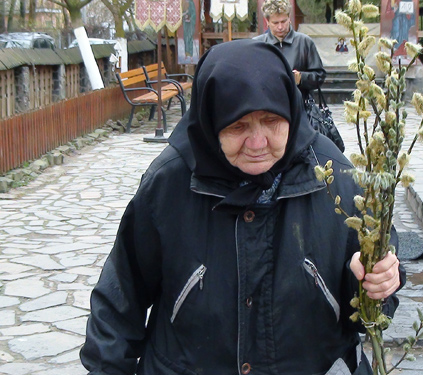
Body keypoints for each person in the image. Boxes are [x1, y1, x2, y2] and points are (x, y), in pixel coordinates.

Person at [80, 39, 405, 375]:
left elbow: (372, 309)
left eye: (271, 121)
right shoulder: (169, 183)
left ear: (291, 113)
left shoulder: (333, 176)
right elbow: (121, 295)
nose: (257, 143)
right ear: (210, 120)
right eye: (237, 126)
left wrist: (374, 284)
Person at [254, 0, 326, 100]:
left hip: (299, 106)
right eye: (275, 23)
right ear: (267, 22)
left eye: (284, 21)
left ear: (289, 19)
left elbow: (320, 76)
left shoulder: (305, 42)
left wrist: (301, 78)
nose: (280, 27)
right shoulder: (257, 45)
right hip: (268, 106)